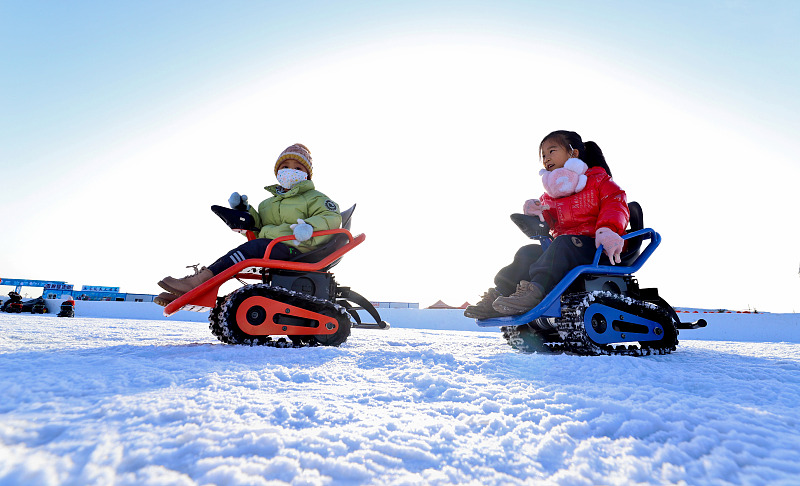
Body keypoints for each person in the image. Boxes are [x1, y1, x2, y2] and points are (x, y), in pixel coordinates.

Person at [464, 130, 629, 318]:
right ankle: (500, 294)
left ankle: (534, 292)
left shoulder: (599, 181)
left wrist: (608, 229)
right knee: (527, 252)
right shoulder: (552, 195)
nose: (546, 158)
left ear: (573, 153)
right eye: (543, 155)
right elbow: (550, 223)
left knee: (563, 243)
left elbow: (615, 204)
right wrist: (538, 214)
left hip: (596, 247)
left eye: (552, 151)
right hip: (563, 250)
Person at [155, 143, 342, 306]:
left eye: (297, 167)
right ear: (277, 172)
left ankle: (200, 281)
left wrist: (309, 226)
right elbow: (258, 227)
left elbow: (331, 216)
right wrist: (244, 210)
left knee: (255, 246)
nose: (290, 171)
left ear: (307, 174)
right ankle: (196, 289)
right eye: (285, 166)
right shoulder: (267, 204)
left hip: (298, 249)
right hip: (272, 247)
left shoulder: (315, 198)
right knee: (253, 246)